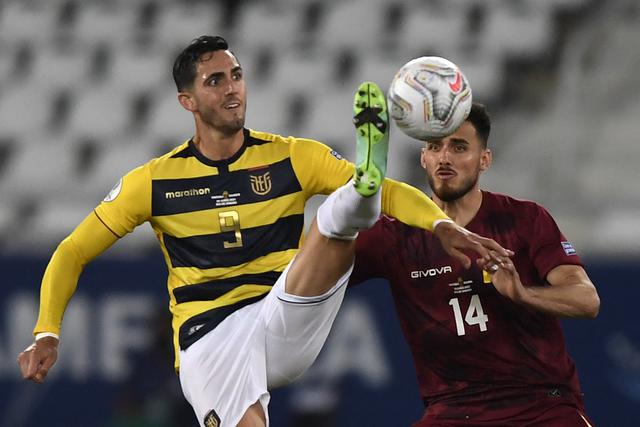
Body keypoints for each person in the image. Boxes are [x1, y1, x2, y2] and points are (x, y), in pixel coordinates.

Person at [16, 36, 508, 427]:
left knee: (335, 220)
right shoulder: (155, 181)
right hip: (210, 337)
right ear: (187, 100)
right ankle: (359, 193)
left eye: (237, 75)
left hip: (283, 310)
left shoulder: (291, 156)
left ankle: (362, 185)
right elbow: (72, 250)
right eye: (215, 81)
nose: (232, 88)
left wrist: (441, 224)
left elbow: (399, 193)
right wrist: (47, 331)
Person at [351, 103, 600, 427]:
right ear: (423, 157)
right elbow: (311, 275)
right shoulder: (394, 235)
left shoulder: (524, 219)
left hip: (541, 404)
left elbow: (587, 300)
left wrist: (523, 294)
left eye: (458, 147)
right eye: (434, 147)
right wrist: (346, 209)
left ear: (484, 159)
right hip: (453, 409)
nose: (444, 158)